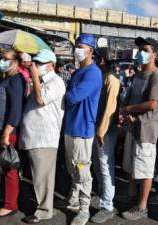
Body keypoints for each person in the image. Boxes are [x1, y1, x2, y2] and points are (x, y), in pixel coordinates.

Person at [120, 37, 158, 221]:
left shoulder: (157, 76)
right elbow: (132, 98)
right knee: (132, 165)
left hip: (147, 131)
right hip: (133, 127)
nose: (141, 53)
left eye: (146, 49)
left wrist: (128, 109)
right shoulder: (139, 75)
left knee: (145, 170)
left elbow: (152, 104)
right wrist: (128, 110)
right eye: (140, 49)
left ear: (155, 53)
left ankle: (142, 207)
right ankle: (131, 195)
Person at [19, 49, 65, 224]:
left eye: (40, 63)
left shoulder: (56, 82)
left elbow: (40, 99)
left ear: (52, 65)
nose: (36, 66)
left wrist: (34, 76)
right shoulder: (41, 81)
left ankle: (45, 211)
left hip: (44, 137)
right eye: (35, 63)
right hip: (33, 136)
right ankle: (41, 206)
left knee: (43, 178)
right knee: (36, 176)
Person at [64, 34, 102, 225]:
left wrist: (67, 94)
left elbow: (72, 97)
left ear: (91, 50)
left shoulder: (93, 73)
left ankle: (84, 210)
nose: (77, 50)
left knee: (83, 171)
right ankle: (73, 198)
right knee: (72, 168)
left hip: (82, 129)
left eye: (81, 46)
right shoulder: (78, 71)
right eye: (76, 46)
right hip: (70, 128)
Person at [0, 48, 25, 218]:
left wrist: (6, 133)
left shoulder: (16, 80)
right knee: (4, 165)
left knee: (10, 168)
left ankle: (10, 205)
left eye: (6, 58)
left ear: (15, 62)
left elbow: (16, 109)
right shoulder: (6, 78)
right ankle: (9, 197)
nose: (2, 61)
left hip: (8, 131)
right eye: (1, 58)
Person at [90, 48, 120, 224]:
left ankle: (107, 205)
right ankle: (103, 195)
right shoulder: (102, 77)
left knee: (105, 166)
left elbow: (110, 108)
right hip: (97, 128)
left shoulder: (111, 79)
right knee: (98, 164)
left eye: (96, 58)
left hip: (105, 130)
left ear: (102, 59)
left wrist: (101, 131)